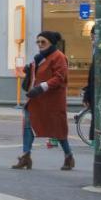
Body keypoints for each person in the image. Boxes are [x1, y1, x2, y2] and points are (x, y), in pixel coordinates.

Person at [13, 31, 73, 170]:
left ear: (51, 43)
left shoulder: (59, 57)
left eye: (43, 42)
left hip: (52, 100)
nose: (40, 44)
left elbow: (60, 78)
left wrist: (42, 87)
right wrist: (30, 72)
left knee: (58, 128)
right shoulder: (38, 58)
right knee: (28, 126)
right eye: (38, 42)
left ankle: (68, 156)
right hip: (36, 99)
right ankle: (25, 156)